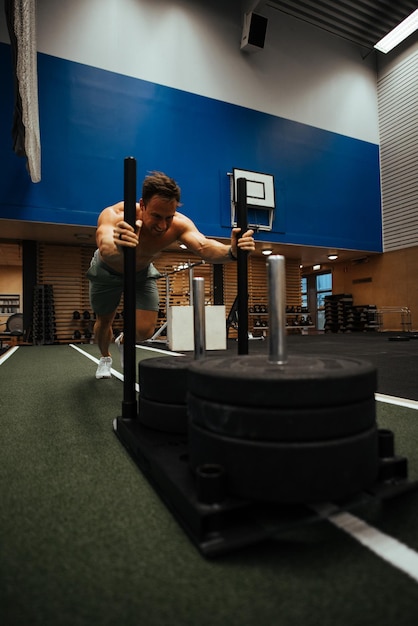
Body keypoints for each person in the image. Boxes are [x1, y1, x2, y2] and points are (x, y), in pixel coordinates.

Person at [87, 171, 255, 378]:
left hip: (141, 272)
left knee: (144, 331)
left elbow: (203, 246)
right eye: (156, 216)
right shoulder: (114, 215)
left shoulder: (178, 225)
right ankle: (105, 357)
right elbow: (105, 247)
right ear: (143, 204)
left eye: (169, 217)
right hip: (107, 271)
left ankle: (123, 339)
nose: (162, 225)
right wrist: (121, 248)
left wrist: (231, 251)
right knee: (105, 320)